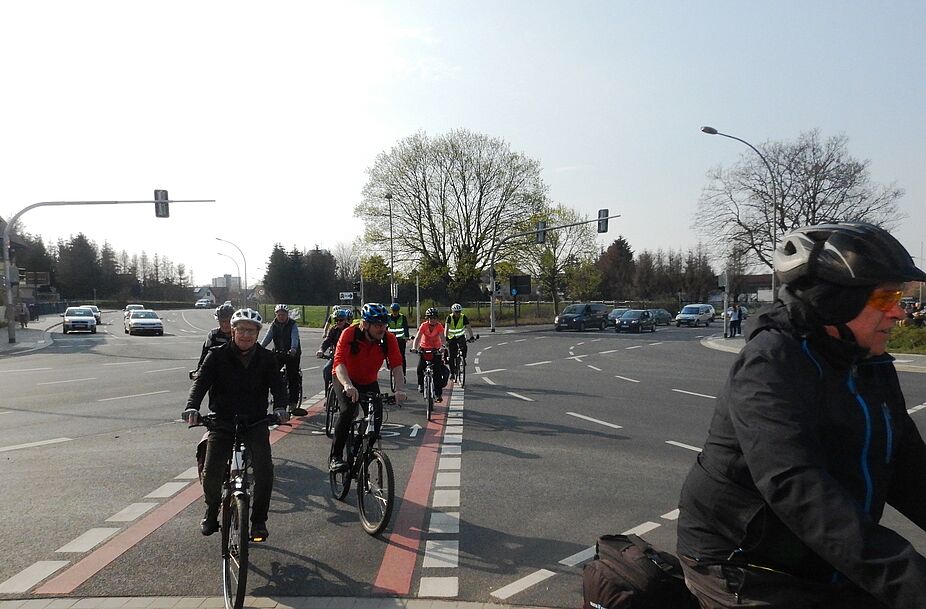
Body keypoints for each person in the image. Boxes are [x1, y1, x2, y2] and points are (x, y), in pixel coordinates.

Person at [677, 222, 926, 609]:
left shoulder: (868, 362)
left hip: (820, 555)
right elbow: (797, 486)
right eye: (886, 297)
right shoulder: (770, 363)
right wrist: (910, 580)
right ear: (834, 301)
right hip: (743, 566)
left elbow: (910, 468)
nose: (900, 312)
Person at [182, 308, 288, 542]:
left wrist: (281, 407)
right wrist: (192, 406)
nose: (246, 335)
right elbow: (200, 384)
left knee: (264, 471)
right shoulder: (216, 355)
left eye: (251, 331)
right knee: (211, 472)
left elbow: (279, 387)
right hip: (222, 420)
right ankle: (212, 509)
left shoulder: (266, 358)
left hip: (255, 421)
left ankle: (258, 521)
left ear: (258, 333)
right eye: (241, 330)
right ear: (233, 330)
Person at [328, 303, 406, 471]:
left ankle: (358, 449)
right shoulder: (349, 334)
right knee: (347, 410)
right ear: (365, 324)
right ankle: (336, 457)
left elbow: (397, 366)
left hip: (368, 381)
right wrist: (348, 385)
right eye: (377, 325)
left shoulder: (388, 339)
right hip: (344, 377)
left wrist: (400, 389)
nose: (382, 329)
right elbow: (339, 363)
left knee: (376, 422)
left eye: (384, 325)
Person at [260, 304, 306, 416]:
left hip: (292, 354)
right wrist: (259, 349)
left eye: (283, 314)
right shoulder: (273, 325)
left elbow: (294, 337)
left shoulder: (292, 324)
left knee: (292, 377)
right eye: (279, 314)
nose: (281, 316)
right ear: (276, 315)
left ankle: (293, 403)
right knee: (273, 374)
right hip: (279, 353)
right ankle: (277, 397)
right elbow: (267, 338)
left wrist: (293, 349)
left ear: (287, 315)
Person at [412, 307, 448, 402]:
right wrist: (414, 348)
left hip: (436, 349)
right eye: (430, 318)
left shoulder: (439, 326)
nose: (432, 320)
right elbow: (418, 337)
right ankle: (421, 384)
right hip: (424, 348)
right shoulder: (423, 326)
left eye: (434, 318)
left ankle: (438, 394)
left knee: (437, 371)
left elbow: (443, 338)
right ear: (427, 318)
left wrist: (442, 347)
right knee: (420, 368)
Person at [316, 307, 352, 394]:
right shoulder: (333, 330)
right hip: (335, 357)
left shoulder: (350, 330)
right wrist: (321, 350)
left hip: (349, 358)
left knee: (353, 375)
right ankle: (327, 394)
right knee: (326, 370)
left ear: (345, 320)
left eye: (341, 320)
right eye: (336, 320)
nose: (338, 322)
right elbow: (327, 341)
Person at [194, 304, 235, 374]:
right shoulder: (213, 334)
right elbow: (205, 354)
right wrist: (199, 371)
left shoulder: (239, 335)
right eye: (221, 321)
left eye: (228, 321)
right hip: (216, 372)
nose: (224, 325)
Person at [444, 303, 474, 380]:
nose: (458, 313)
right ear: (453, 312)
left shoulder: (463, 317)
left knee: (464, 347)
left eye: (459, 311)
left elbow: (468, 327)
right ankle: (452, 373)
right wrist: (446, 338)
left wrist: (472, 337)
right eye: (456, 312)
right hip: (451, 337)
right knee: (451, 356)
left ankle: (463, 359)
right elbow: (446, 328)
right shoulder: (449, 317)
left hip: (460, 336)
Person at [387, 302, 410, 377]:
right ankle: (389, 364)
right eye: (393, 310)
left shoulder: (402, 317)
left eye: (396, 311)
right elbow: (385, 327)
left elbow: (406, 327)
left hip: (400, 339)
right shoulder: (388, 317)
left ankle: (403, 374)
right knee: (387, 353)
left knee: (401, 356)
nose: (395, 312)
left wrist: (406, 336)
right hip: (391, 339)